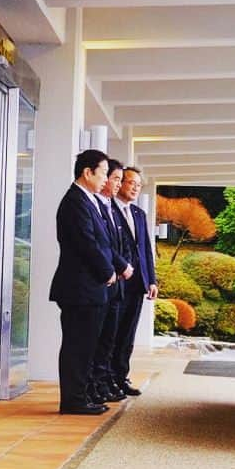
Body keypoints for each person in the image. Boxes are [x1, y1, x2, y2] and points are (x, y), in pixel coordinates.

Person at [50, 149, 118, 415]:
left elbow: (102, 243)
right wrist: (107, 271)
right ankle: (74, 400)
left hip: (90, 288)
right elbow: (86, 243)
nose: (106, 179)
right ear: (87, 172)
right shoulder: (75, 202)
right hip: (80, 288)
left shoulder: (88, 201)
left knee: (86, 344)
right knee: (77, 345)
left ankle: (81, 395)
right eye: (103, 173)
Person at [88, 159, 135, 404]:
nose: (113, 183)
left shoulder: (107, 207)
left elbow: (125, 244)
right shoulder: (94, 204)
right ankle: (95, 385)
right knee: (97, 341)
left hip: (117, 283)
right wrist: (116, 268)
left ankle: (103, 382)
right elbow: (97, 245)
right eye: (113, 177)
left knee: (109, 339)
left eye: (116, 178)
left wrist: (126, 266)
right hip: (103, 282)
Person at [110, 166, 158, 396]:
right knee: (113, 332)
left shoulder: (139, 214)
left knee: (128, 334)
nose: (136, 188)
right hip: (118, 281)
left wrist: (152, 280)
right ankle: (108, 378)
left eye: (139, 185)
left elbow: (146, 249)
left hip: (137, 283)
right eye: (131, 183)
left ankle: (121, 377)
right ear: (120, 184)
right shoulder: (109, 208)